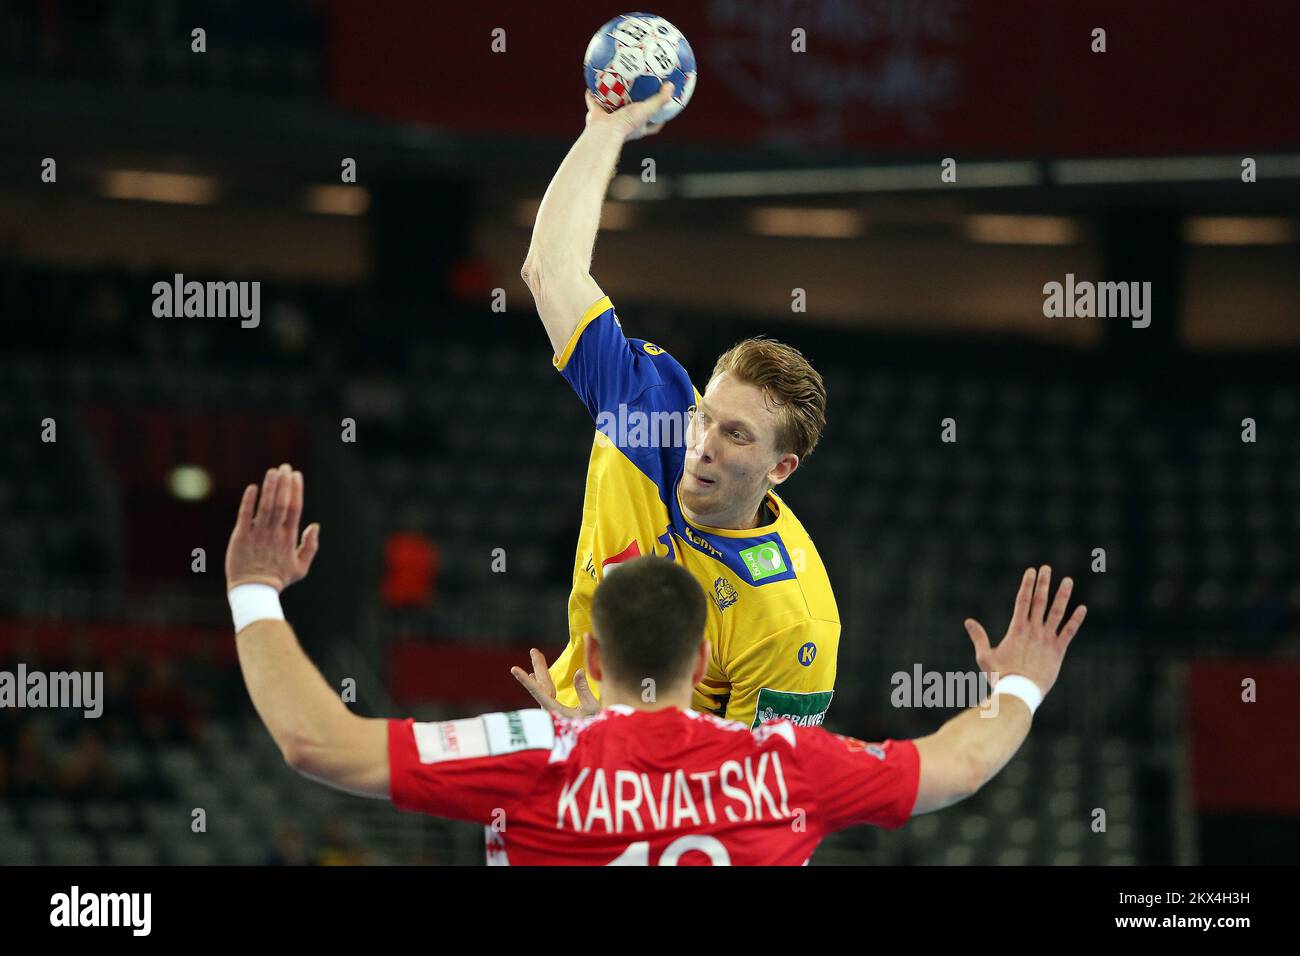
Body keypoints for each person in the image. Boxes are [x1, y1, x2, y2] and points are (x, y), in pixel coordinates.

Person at [227, 464, 1086, 865]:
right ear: (705, 653)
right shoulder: (788, 766)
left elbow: (314, 741)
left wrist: (255, 591)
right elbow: (962, 764)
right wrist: (1020, 681)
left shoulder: (536, 753)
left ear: (591, 655)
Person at [519, 82, 838, 728]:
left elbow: (755, 796)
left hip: (669, 812)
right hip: (556, 735)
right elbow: (550, 270)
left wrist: (610, 740)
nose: (703, 444)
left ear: (782, 468)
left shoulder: (792, 622)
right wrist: (604, 134)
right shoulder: (647, 410)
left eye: (738, 436)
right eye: (706, 417)